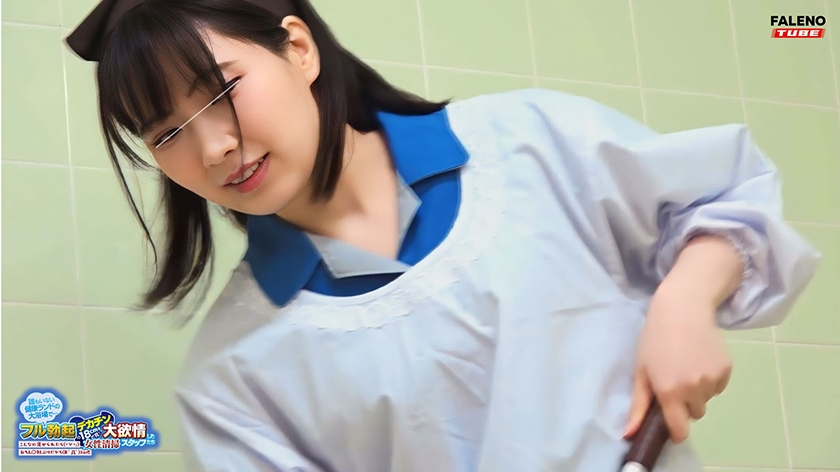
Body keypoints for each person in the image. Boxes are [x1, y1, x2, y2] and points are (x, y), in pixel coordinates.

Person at [66, 0, 820, 470]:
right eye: (167, 133)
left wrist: (685, 302)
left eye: (222, 90)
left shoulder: (527, 142)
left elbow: (726, 197)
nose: (212, 148)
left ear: (298, 47)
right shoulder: (233, 380)